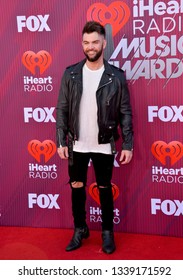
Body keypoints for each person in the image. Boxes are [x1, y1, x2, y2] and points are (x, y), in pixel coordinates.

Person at [56, 21, 133, 254]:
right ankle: (80, 229)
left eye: (95, 42)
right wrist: (60, 140)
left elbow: (125, 111)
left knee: (104, 187)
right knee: (77, 186)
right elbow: (62, 108)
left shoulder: (116, 77)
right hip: (76, 142)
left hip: (104, 142)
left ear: (104, 43)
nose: (91, 47)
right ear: (82, 43)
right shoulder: (70, 74)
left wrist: (128, 143)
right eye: (87, 43)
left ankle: (107, 233)